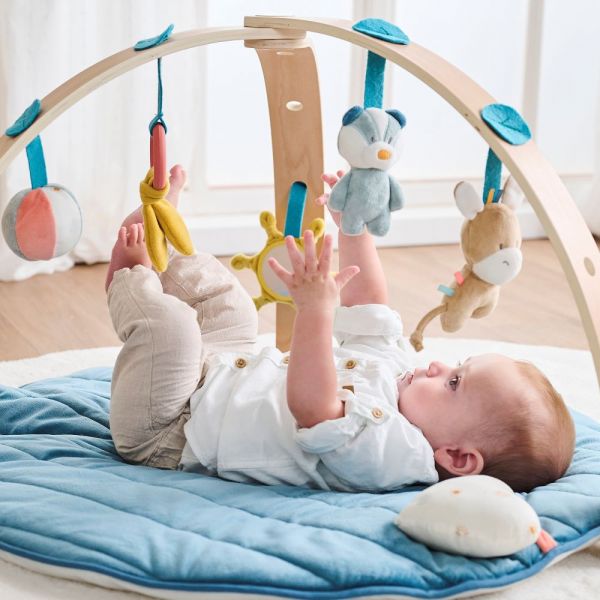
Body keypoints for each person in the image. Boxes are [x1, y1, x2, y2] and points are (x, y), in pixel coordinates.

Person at [105, 166, 575, 493]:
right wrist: (353, 231)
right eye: (456, 365)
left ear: (456, 457)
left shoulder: (395, 454)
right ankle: (164, 235)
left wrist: (314, 311)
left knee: (177, 331)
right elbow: (369, 304)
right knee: (231, 309)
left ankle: (130, 280)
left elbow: (314, 408)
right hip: (218, 372)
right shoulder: (399, 379)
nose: (437, 364)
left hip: (169, 429)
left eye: (454, 382)